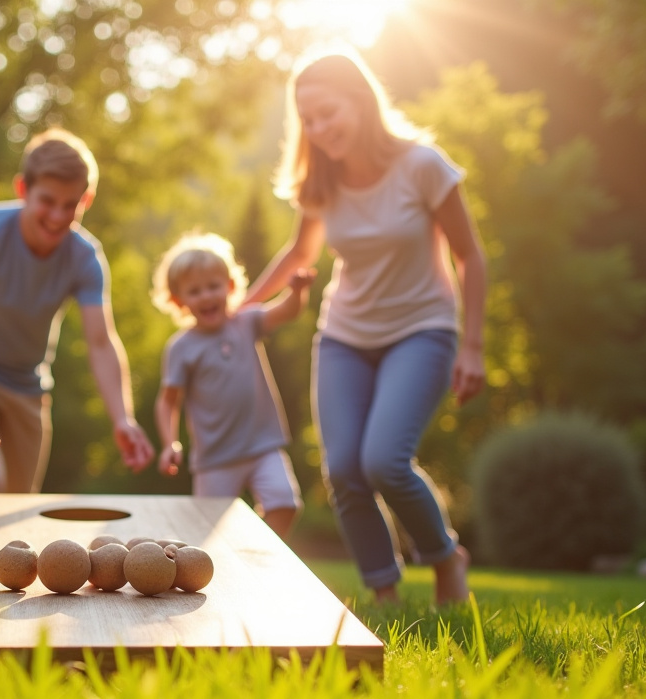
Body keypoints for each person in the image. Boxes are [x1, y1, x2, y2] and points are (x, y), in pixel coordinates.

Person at [245, 50, 486, 605]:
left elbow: (470, 256)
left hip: (422, 329)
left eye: (329, 112)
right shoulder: (322, 182)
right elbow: (298, 253)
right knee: (344, 471)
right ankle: (385, 594)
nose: (319, 128)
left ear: (361, 100)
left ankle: (446, 557)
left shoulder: (424, 166)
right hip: (344, 336)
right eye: (308, 119)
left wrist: (472, 347)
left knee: (383, 460)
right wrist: (244, 307)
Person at [0, 128, 155, 493]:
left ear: (86, 200)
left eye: (70, 204)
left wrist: (123, 418)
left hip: (27, 386)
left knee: (18, 504)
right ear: (23, 189)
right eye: (48, 201)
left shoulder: (84, 257)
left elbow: (101, 342)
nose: (58, 215)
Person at [151, 232, 315, 539]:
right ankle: (223, 568)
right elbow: (168, 400)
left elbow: (286, 311)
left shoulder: (246, 322)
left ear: (229, 286)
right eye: (195, 291)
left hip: (263, 446)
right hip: (215, 458)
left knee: (285, 503)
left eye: (214, 286)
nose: (207, 296)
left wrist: (297, 292)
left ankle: (258, 552)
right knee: (206, 532)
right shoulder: (181, 347)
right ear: (178, 300)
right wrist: (169, 443)